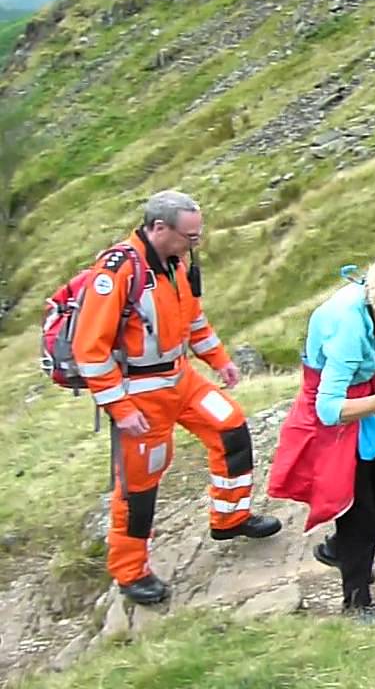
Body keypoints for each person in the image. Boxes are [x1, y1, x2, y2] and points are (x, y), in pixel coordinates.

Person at [72, 190, 282, 606]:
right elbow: (89, 349)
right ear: (159, 228)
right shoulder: (117, 271)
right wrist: (119, 406)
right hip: (140, 393)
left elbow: (194, 320)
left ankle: (230, 517)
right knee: (139, 484)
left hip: (181, 378)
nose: (195, 243)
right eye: (190, 235)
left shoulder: (176, 264)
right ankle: (130, 572)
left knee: (231, 426)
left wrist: (219, 360)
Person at [268, 248, 375, 621]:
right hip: (335, 426)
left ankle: (340, 550)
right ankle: (356, 604)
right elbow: (329, 409)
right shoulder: (349, 323)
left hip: (362, 412)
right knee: (358, 514)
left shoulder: (374, 306)